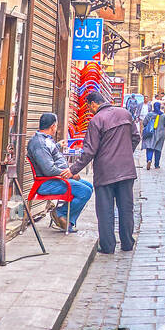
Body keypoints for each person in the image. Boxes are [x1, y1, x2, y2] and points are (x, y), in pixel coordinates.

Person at [69, 89, 141, 254]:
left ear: (93, 104)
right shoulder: (125, 114)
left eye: (89, 108)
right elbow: (136, 137)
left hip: (105, 172)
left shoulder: (96, 120)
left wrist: (73, 169)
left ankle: (108, 246)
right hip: (126, 170)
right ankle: (127, 243)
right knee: (126, 208)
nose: (90, 111)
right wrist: (125, 153)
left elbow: (89, 151)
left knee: (105, 210)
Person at [27, 113, 93, 233]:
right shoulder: (39, 143)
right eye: (56, 126)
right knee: (85, 191)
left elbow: (47, 154)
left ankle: (67, 220)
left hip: (57, 179)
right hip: (47, 183)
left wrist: (57, 145)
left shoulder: (44, 140)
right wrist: (70, 174)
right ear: (52, 126)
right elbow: (48, 169)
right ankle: (60, 213)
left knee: (89, 186)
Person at [141, 101, 165, 169]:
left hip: (150, 134)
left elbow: (144, 123)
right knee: (158, 149)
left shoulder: (149, 114)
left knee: (149, 148)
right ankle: (157, 165)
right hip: (160, 135)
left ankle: (149, 160)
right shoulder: (163, 116)